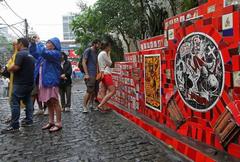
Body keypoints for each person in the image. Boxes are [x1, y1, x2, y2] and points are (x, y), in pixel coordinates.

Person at [1, 38, 35, 133]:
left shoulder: (20, 54)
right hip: (29, 83)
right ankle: (29, 120)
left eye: (16, 44)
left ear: (20, 44)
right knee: (27, 100)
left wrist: (8, 69)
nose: (16, 46)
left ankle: (14, 125)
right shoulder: (30, 55)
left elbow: (16, 67)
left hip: (20, 83)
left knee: (14, 102)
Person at [30, 36, 62, 132]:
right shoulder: (44, 56)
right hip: (43, 82)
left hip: (51, 82)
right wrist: (33, 44)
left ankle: (59, 123)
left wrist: (38, 42)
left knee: (55, 101)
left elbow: (43, 52)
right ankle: (51, 121)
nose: (47, 44)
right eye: (47, 42)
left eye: (49, 43)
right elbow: (34, 53)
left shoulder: (56, 53)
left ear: (54, 46)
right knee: (48, 102)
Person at [82, 39, 101, 113]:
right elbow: (84, 62)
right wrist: (86, 74)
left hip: (96, 75)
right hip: (90, 74)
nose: (99, 46)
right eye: (98, 44)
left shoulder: (97, 52)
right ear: (94, 44)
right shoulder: (88, 50)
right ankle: (84, 106)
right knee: (89, 91)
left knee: (94, 91)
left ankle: (91, 104)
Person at [97, 41, 116, 110]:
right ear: (107, 47)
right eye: (109, 47)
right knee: (113, 91)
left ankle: (104, 107)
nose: (110, 48)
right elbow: (110, 63)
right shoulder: (104, 53)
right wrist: (109, 54)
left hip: (102, 73)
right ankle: (100, 105)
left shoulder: (100, 54)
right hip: (106, 73)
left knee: (103, 91)